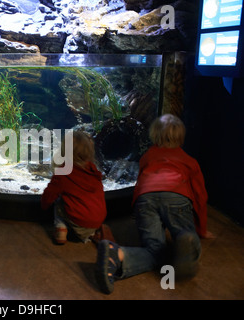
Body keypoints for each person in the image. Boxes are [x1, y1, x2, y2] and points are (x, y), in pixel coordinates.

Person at [95, 114, 215, 295]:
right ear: (181, 137)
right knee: (187, 234)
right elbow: (200, 196)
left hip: (147, 199)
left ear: (154, 135)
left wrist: (137, 210)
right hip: (177, 197)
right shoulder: (190, 161)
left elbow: (141, 184)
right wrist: (201, 229)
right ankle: (185, 239)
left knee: (154, 250)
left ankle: (117, 255)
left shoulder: (148, 157)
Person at [41, 131, 110, 245]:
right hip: (98, 220)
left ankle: (61, 228)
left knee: (58, 201)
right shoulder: (93, 169)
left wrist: (43, 206)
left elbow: (49, 195)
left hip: (79, 222)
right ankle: (92, 233)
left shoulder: (63, 172)